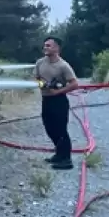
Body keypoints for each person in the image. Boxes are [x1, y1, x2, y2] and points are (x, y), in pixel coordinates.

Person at [34, 36, 79, 170]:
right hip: (46, 100)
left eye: (48, 45)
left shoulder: (63, 65)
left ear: (57, 48)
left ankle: (66, 160)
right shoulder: (40, 63)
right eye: (45, 45)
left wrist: (58, 91)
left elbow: (74, 84)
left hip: (59, 101)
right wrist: (42, 84)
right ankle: (59, 154)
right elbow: (35, 78)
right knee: (49, 128)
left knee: (60, 130)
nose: (45, 47)